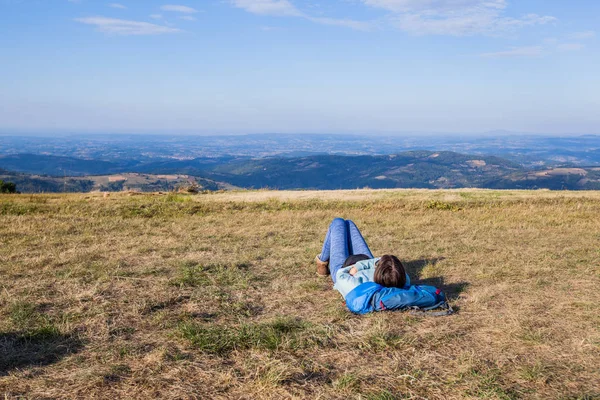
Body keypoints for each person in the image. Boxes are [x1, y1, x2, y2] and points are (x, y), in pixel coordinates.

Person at [315, 218, 410, 299]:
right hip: (364, 261)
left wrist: (354, 268)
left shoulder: (356, 286)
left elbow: (340, 275)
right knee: (349, 223)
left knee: (338, 222)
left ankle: (322, 263)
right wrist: (360, 266)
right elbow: (384, 262)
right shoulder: (401, 279)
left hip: (344, 267)